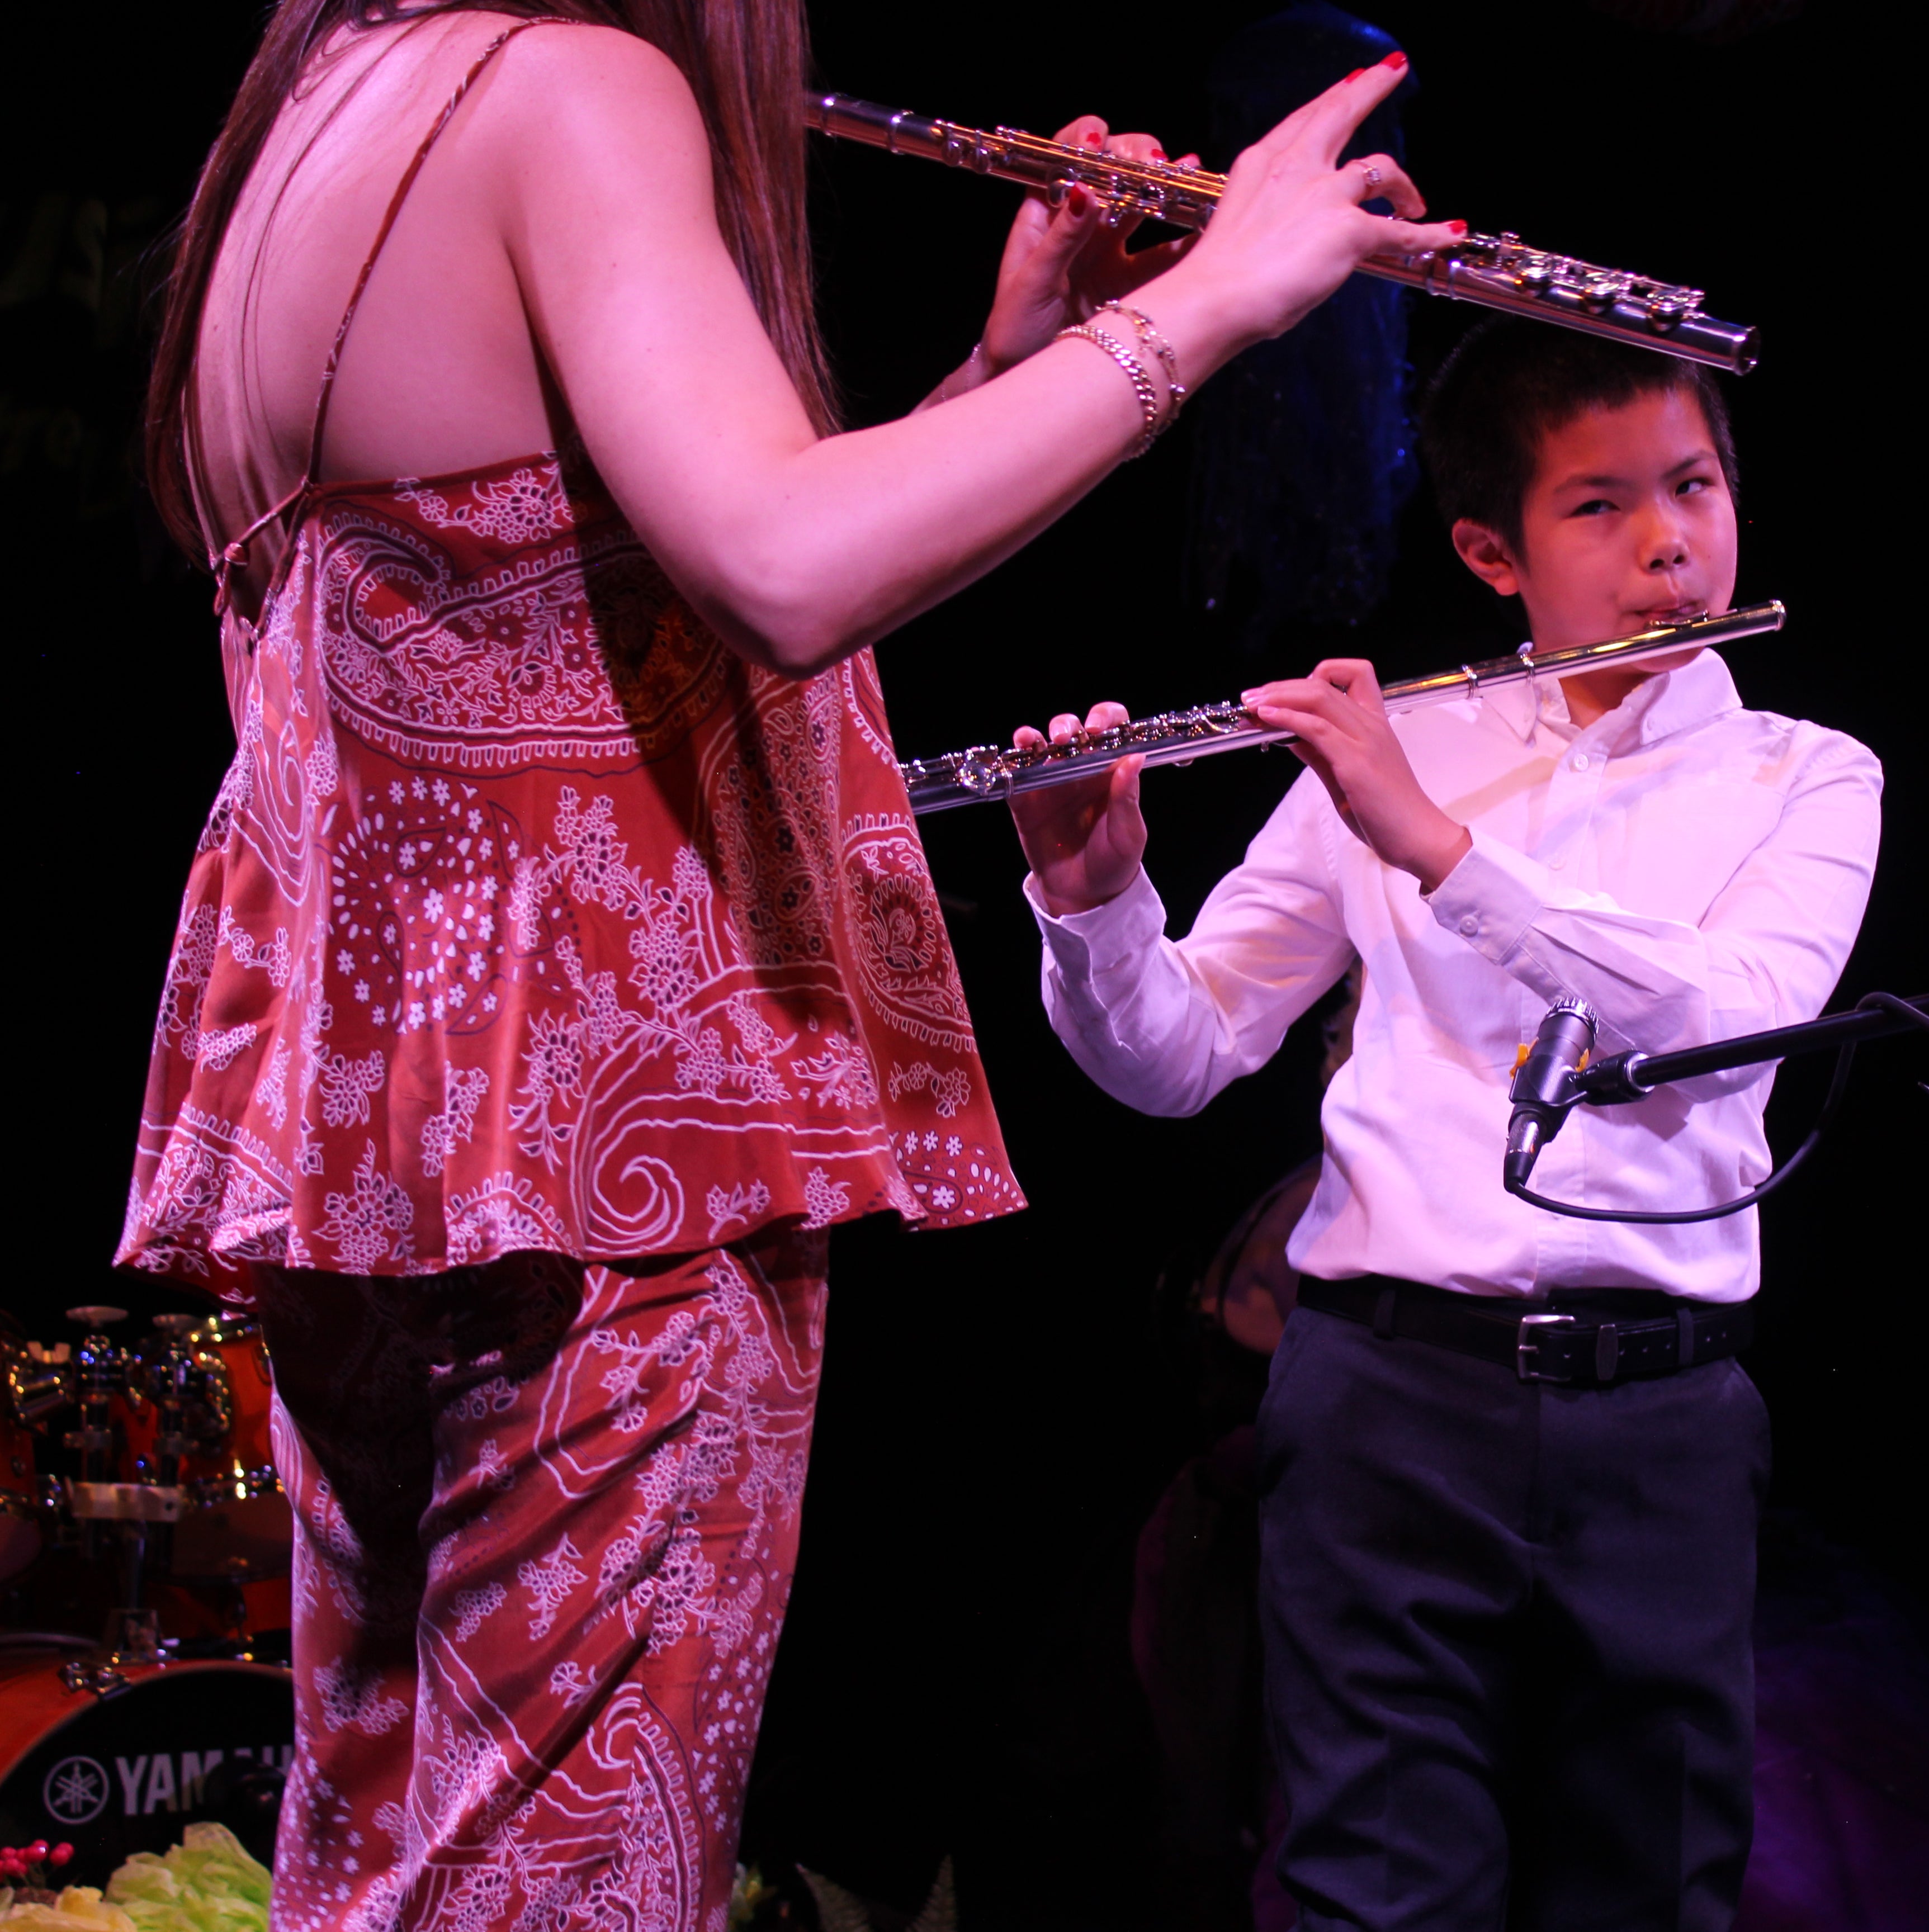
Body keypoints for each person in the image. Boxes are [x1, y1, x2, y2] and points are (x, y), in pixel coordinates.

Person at [124, 0, 1456, 1916]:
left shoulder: (321, 101)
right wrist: (1226, 297)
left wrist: (1026, 365)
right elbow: (782, 566)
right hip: (614, 1145)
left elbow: (583, 617)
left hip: (414, 1142)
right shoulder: (573, 83)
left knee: (389, 1855)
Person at [1011, 320, 1884, 1930]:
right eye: (1601, 508)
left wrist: (1437, 851)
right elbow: (1181, 1054)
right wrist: (1096, 906)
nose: (1670, 544)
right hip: (1387, 1405)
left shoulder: (1806, 778)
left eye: (1694, 486)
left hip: (1662, 1423)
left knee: (1649, 1894)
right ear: (1493, 551)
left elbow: (1724, 1024)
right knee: (1366, 1895)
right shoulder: (1398, 745)